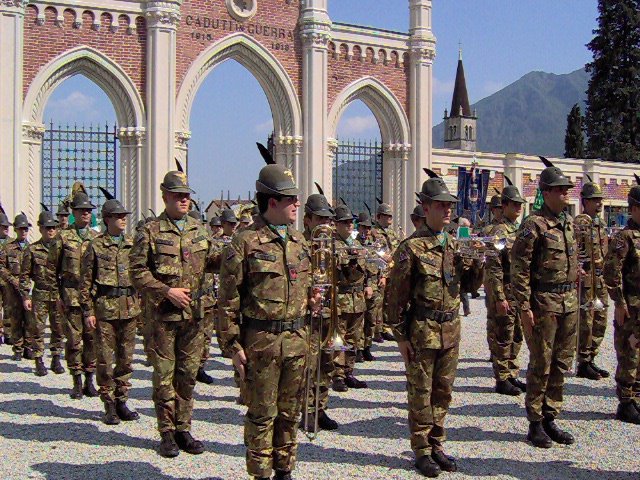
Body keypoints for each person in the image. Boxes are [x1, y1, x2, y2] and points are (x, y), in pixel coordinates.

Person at [217, 160, 320, 480]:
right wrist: (232, 346)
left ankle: (284, 470)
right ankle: (261, 474)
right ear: (272, 202)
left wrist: (311, 299)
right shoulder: (244, 242)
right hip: (261, 343)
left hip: (296, 341)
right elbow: (227, 301)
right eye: (290, 199)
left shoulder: (300, 241)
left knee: (290, 413)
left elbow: (305, 282)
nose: (297, 204)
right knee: (262, 416)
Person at [384, 169, 481, 477]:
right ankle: (422, 450)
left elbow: (469, 287)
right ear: (426, 209)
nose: (448, 209)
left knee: (442, 391)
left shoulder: (454, 245)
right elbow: (394, 298)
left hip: (450, 330)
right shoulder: (410, 248)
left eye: (449, 204)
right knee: (420, 392)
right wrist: (400, 336)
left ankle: (437, 443)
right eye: (441, 205)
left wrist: (477, 261)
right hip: (423, 331)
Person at [129, 166, 218, 457]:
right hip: (164, 317)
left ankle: (183, 428)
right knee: (165, 375)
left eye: (187, 196)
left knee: (187, 374)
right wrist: (166, 291)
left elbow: (213, 261)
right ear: (165, 196)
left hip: (194, 317)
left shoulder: (199, 229)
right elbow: (137, 272)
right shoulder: (150, 231)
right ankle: (166, 433)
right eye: (178, 195)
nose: (184, 200)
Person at [511, 159, 578, 448]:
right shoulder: (533, 226)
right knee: (542, 361)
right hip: (544, 303)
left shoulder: (567, 224)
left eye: (566, 190)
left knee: (561, 362)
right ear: (546, 192)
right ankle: (535, 422)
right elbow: (519, 268)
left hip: (568, 302)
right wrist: (524, 307)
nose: (566, 194)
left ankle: (551, 415)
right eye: (560, 190)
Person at [79, 190, 140, 425]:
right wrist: (87, 311)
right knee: (104, 359)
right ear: (107, 219)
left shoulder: (132, 245)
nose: (123, 219)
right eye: (118, 216)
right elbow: (85, 283)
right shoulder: (95, 247)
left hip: (129, 309)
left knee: (126, 359)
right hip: (104, 310)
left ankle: (122, 400)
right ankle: (109, 404)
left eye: (124, 215)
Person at [50, 188, 100, 399]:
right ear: (73, 212)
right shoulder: (63, 237)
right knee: (73, 340)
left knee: (92, 339)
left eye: (88, 210)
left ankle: (90, 379)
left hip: (92, 297)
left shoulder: (97, 238)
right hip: (70, 295)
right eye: (81, 210)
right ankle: (76, 380)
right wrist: (57, 296)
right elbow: (52, 269)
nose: (85, 214)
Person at [483, 182, 527, 396]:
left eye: (520, 204)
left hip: (518, 291)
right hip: (505, 289)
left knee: (517, 333)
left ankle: (511, 373)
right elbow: (493, 267)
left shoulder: (519, 230)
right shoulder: (499, 231)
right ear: (505, 205)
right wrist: (499, 296)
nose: (518, 208)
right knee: (503, 334)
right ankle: (501, 378)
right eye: (515, 204)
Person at [301, 191, 338, 433]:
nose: (325, 225)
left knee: (326, 364)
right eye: (320, 220)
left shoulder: (329, 247)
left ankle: (320, 407)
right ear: (308, 220)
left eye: (327, 220)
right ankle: (306, 410)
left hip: (328, 314)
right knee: (308, 365)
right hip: (307, 316)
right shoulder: (300, 246)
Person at [603, 183, 640, 424]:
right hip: (631, 305)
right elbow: (610, 271)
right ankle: (625, 402)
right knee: (629, 352)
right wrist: (618, 301)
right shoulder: (624, 237)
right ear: (634, 208)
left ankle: (636, 395)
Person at [331, 204, 372, 391]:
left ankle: (349, 371)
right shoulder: (332, 245)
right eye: (345, 222)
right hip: (341, 297)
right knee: (339, 338)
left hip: (358, 299)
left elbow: (368, 268)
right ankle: (337, 375)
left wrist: (369, 285)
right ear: (336, 224)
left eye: (351, 222)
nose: (349, 226)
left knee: (354, 338)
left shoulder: (357, 245)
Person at [20, 208, 65, 376]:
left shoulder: (62, 250)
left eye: (53, 227)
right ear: (40, 228)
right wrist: (25, 296)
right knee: (38, 329)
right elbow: (24, 275)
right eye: (47, 228)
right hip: (40, 294)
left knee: (58, 328)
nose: (51, 230)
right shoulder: (32, 250)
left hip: (58, 295)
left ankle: (56, 357)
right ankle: (39, 359)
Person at [574, 179, 610, 380]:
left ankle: (591, 358)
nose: (599, 204)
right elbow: (574, 250)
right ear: (585, 202)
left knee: (600, 319)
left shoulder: (600, 224)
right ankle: (583, 361)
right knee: (586, 321)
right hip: (587, 280)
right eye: (595, 200)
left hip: (600, 280)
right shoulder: (580, 222)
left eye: (600, 200)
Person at [3, 213, 33, 361]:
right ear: (15, 230)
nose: (23, 231)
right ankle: (18, 348)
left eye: (25, 229)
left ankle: (28, 347)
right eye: (21, 229)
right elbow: (1, 267)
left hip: (28, 289)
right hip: (12, 290)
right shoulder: (8, 248)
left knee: (29, 319)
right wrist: (12, 279)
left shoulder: (33, 248)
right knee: (15, 318)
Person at [356, 210, 383, 362]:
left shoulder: (373, 245)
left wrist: (382, 276)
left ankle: (367, 346)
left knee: (371, 320)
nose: (366, 230)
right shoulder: (355, 245)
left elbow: (379, 264)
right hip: (362, 287)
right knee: (360, 321)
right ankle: (359, 349)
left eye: (368, 227)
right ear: (358, 227)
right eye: (363, 227)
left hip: (375, 286)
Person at [372, 201, 400, 341]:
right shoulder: (374, 232)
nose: (389, 218)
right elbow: (375, 251)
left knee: (388, 301)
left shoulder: (392, 233)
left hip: (392, 271)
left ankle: (384, 328)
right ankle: (376, 331)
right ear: (379, 217)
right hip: (380, 271)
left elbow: (398, 248)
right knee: (378, 302)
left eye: (390, 216)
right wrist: (387, 258)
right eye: (386, 216)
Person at [0, 209, 13, 345]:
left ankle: (9, 333)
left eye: (7, 227)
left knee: (9, 307)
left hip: (7, 281)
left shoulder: (12, 243)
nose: (6, 229)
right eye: (3, 227)